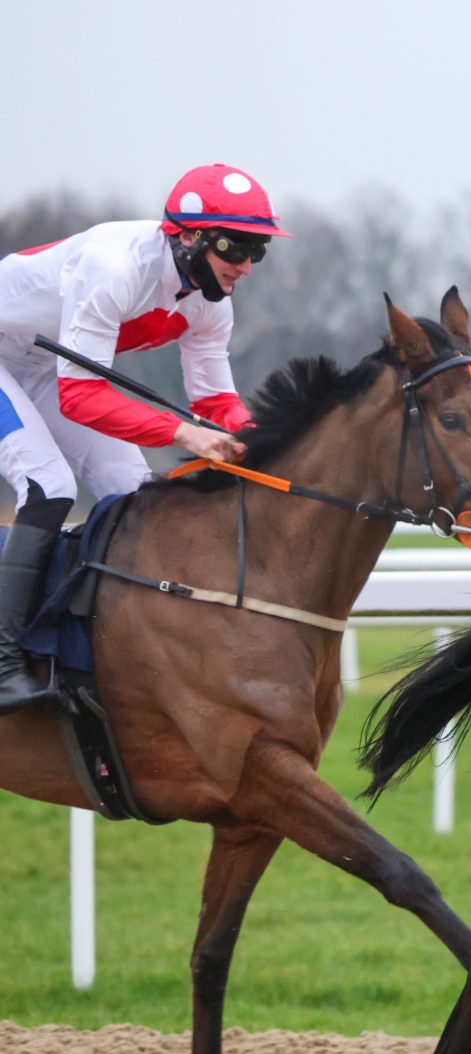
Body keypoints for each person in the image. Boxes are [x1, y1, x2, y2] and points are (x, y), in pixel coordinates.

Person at [0, 163, 286, 712]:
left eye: (258, 251)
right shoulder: (114, 268)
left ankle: (105, 652)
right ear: (188, 237)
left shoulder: (209, 301)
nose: (246, 266)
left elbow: (215, 404)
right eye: (236, 248)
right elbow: (80, 398)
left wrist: (275, 443)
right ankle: (5, 661)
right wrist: (185, 435)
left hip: (46, 367)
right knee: (49, 484)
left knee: (135, 495)